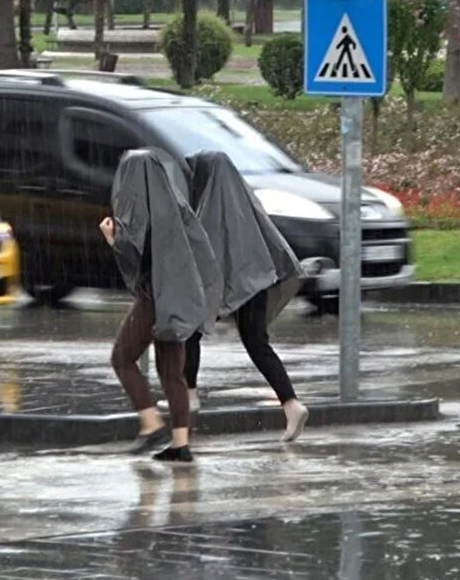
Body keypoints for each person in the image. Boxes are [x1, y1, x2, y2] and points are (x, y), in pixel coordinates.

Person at [171, 150, 311, 442]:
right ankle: (292, 405)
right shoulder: (243, 202)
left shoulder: (211, 207)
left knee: (191, 330)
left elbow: (204, 252)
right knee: (258, 345)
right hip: (257, 283)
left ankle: (190, 394)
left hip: (235, 285)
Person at [101, 148, 221, 463]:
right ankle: (180, 444)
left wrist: (113, 240)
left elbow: (136, 257)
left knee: (122, 358)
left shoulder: (141, 210)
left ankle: (150, 421)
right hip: (180, 295)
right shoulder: (177, 205)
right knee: (172, 372)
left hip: (155, 297)